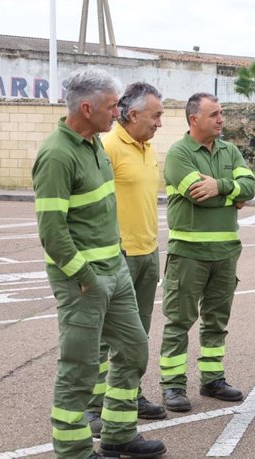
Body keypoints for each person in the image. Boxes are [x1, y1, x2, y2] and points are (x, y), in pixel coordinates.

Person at [32, 68, 166, 459]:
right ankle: (73, 450)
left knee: (133, 350)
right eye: (112, 106)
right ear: (87, 107)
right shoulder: (57, 154)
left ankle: (118, 433)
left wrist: (116, 266)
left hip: (116, 268)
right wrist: (85, 276)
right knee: (80, 366)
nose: (118, 112)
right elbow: (52, 231)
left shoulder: (93, 144)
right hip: (83, 280)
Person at [159, 92, 255, 412]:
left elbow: (250, 187)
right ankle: (173, 386)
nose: (221, 119)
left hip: (226, 252)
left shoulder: (230, 150)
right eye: (214, 114)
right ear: (194, 119)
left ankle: (212, 379)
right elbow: (198, 194)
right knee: (179, 321)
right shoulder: (178, 154)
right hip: (188, 253)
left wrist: (220, 186)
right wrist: (231, 193)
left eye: (221, 113)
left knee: (216, 320)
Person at [83, 82, 167, 436]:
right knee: (105, 337)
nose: (160, 122)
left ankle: (128, 396)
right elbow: (93, 203)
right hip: (118, 257)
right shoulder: (108, 147)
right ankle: (94, 407)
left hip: (147, 253)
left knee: (137, 334)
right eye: (156, 115)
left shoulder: (146, 148)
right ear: (132, 115)